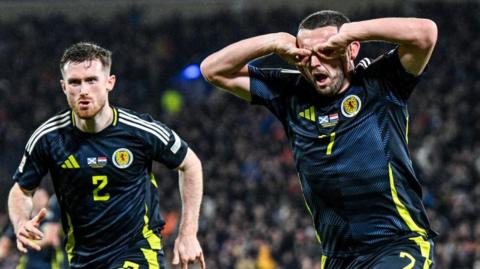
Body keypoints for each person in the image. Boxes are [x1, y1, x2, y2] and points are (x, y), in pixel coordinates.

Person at [201, 10, 437, 269]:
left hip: (397, 245)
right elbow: (213, 70)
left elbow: (425, 33)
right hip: (336, 258)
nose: (314, 63)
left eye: (325, 51)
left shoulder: (382, 83)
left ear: (351, 49)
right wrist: (273, 41)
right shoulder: (290, 93)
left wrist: (352, 31)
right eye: (306, 55)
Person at [8, 42, 205, 269]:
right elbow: (21, 189)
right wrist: (21, 221)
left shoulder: (140, 130)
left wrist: (188, 233)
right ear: (63, 86)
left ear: (109, 82)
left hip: (137, 251)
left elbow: (190, 164)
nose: (83, 90)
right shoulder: (48, 137)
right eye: (75, 82)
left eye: (92, 80)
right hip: (83, 258)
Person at [1, 189, 68, 269]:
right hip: (28, 264)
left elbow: (52, 239)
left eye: (42, 196)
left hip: (49, 264)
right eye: (37, 196)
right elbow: (5, 243)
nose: (39, 199)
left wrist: (28, 241)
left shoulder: (52, 218)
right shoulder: (23, 222)